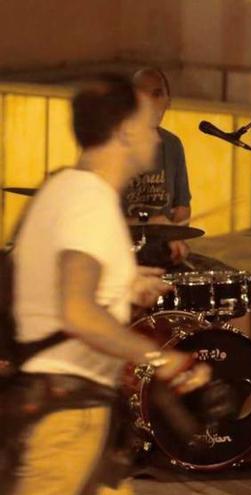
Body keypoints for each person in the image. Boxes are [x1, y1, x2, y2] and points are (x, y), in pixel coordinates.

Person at [2, 74, 209, 495]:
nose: (154, 133)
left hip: (76, 414)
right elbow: (77, 312)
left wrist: (123, 288)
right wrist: (160, 359)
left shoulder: (63, 188)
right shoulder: (90, 201)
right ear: (124, 130)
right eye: (146, 121)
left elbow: (54, 290)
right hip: (66, 420)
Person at [123, 67, 192, 268]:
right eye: (142, 95)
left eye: (157, 94)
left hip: (160, 252)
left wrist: (176, 236)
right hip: (122, 254)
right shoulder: (114, 145)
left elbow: (182, 208)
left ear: (168, 100)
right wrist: (154, 223)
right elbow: (101, 219)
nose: (151, 102)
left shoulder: (172, 144)